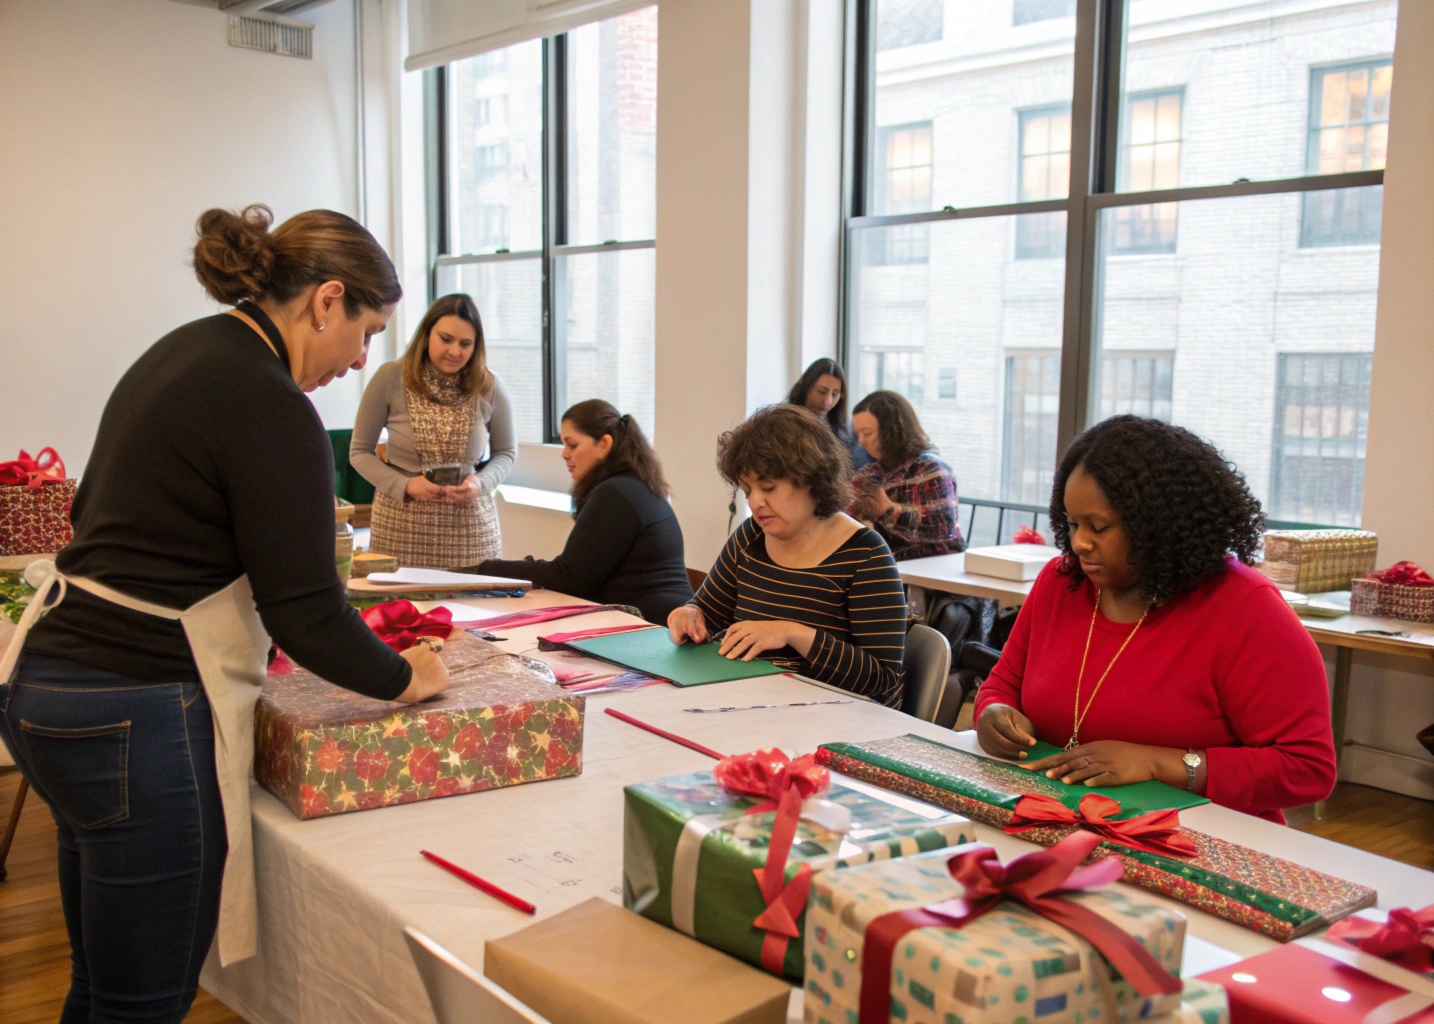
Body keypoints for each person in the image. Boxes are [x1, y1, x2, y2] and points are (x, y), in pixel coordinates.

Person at [0, 205, 450, 1023]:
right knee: (144, 1002)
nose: (361, 359)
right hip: (135, 707)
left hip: (46, 686)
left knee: (99, 987)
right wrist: (404, 678)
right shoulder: (269, 401)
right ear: (328, 300)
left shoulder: (184, 352)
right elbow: (307, 612)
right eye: (368, 332)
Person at [975, 415, 1336, 823]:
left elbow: (1307, 769)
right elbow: (1004, 682)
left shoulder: (1246, 608)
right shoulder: (1061, 583)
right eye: (1072, 524)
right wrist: (993, 712)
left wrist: (1157, 764)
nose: (1078, 543)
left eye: (1098, 527)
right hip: (1059, 817)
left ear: (1159, 524)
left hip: (1201, 836)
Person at [668, 404, 907, 706]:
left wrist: (793, 634)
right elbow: (708, 613)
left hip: (830, 716)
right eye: (747, 490)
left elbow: (883, 682)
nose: (755, 502)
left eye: (768, 487)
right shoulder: (751, 535)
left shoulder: (865, 555)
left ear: (811, 479)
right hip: (751, 703)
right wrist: (689, 615)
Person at [464, 400, 693, 623]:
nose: (564, 453)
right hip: (648, 618)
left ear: (604, 444)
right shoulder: (629, 485)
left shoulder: (616, 494)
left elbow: (570, 578)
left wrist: (485, 569)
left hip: (653, 626)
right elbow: (577, 573)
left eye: (572, 445)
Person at [350, 293, 515, 568]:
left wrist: (480, 484)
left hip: (469, 529)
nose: (455, 351)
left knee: (474, 595)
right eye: (446, 339)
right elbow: (359, 452)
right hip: (401, 525)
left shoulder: (489, 384)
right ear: (427, 335)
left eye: (465, 344)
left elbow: (506, 453)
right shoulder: (390, 377)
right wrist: (405, 485)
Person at [848, 390, 962, 560]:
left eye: (868, 433)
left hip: (933, 567)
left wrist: (887, 510)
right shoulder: (870, 474)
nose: (861, 441)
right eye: (858, 434)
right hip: (890, 565)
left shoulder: (931, 469)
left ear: (892, 432)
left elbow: (944, 528)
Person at [786, 357, 872, 469]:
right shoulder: (784, 421)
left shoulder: (846, 428)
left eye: (835, 394)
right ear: (805, 388)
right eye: (821, 392)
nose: (828, 401)